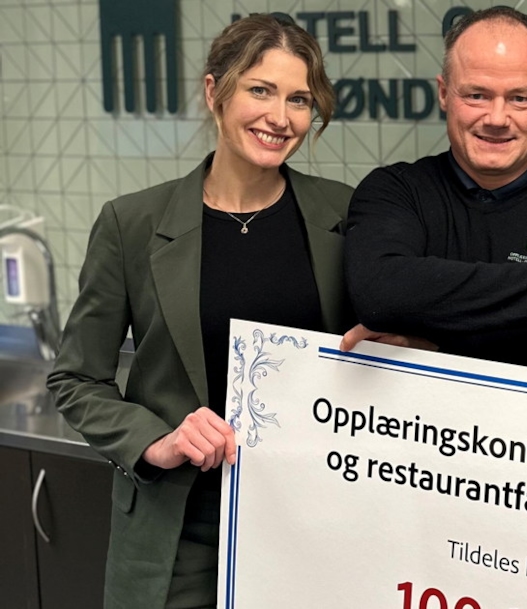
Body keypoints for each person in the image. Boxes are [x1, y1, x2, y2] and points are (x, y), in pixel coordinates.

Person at [47, 15, 354, 608]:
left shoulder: (343, 217)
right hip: (181, 538)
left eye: (298, 99)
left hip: (312, 528)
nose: (280, 117)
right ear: (215, 92)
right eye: (260, 90)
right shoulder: (132, 224)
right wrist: (156, 440)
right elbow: (76, 379)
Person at [341, 6, 527, 379]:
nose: (498, 118)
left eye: (520, 98)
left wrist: (436, 349)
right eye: (477, 95)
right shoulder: (396, 191)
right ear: (444, 93)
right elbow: (381, 294)